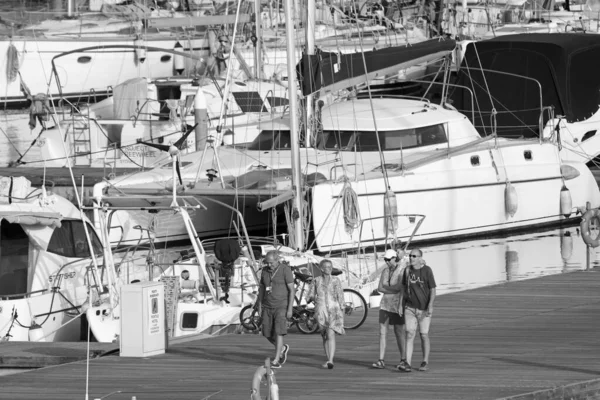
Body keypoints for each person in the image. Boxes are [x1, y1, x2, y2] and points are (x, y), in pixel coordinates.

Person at [400, 248, 436, 372]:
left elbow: (432, 289)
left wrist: (430, 305)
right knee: (409, 333)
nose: (411, 258)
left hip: (424, 308)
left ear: (420, 258)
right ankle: (407, 363)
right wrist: (400, 305)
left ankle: (425, 361)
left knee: (424, 334)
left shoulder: (427, 270)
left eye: (414, 256)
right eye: (410, 256)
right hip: (409, 307)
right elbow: (403, 289)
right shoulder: (407, 271)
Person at [256, 250, 294, 368]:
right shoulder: (265, 271)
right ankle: (282, 348)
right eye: (267, 262)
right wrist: (259, 305)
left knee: (279, 332)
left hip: (281, 305)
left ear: (277, 260)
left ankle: (276, 360)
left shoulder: (285, 270)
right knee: (266, 332)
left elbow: (292, 290)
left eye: (271, 262)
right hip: (267, 305)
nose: (269, 265)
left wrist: (290, 309)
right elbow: (262, 289)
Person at [306, 259, 345, 369]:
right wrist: (311, 298)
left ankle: (330, 360)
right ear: (321, 269)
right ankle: (328, 359)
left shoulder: (336, 280)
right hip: (321, 310)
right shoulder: (316, 280)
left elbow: (340, 297)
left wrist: (343, 311)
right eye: (326, 267)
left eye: (330, 267)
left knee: (331, 334)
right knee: (324, 336)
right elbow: (309, 296)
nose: (329, 269)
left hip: (334, 310)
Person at [372, 249, 406, 371]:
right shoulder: (385, 270)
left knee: (399, 332)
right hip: (385, 305)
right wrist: (391, 289)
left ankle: (403, 359)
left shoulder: (402, 270)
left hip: (397, 305)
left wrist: (388, 287)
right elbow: (380, 288)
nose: (386, 262)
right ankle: (381, 360)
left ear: (394, 258)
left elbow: (400, 287)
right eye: (385, 260)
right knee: (382, 332)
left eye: (388, 259)